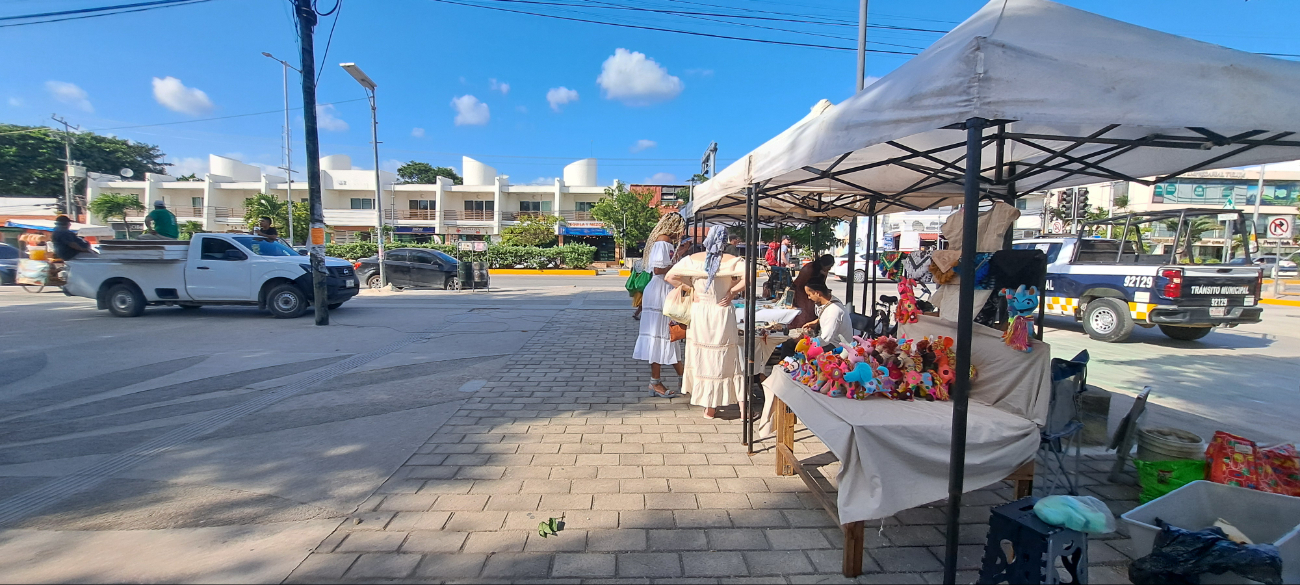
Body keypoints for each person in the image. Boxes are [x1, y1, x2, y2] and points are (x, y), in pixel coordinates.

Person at [665, 226, 747, 419]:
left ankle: (710, 406)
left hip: (701, 311)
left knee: (703, 356)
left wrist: (690, 289)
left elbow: (670, 276)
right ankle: (741, 409)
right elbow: (750, 275)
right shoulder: (733, 260)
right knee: (729, 356)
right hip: (722, 311)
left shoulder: (693, 259)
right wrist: (732, 292)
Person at [633, 213, 686, 398]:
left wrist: (678, 255)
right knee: (664, 335)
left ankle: (677, 377)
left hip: (660, 289)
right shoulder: (663, 241)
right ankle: (662, 381)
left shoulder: (664, 241)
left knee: (666, 335)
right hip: (660, 290)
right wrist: (679, 265)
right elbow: (658, 269)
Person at [790, 254, 835, 328]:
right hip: (802, 292)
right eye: (828, 267)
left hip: (813, 292)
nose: (829, 269)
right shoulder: (808, 269)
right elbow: (797, 285)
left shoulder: (823, 271)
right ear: (823, 265)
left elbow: (821, 284)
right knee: (804, 315)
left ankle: (811, 330)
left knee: (813, 313)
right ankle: (802, 330)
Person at [803, 282, 854, 348]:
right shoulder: (830, 301)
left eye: (809, 295)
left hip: (838, 348)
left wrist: (805, 342)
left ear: (817, 293)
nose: (808, 297)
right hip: (831, 342)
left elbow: (824, 340)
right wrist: (817, 321)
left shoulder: (833, 311)